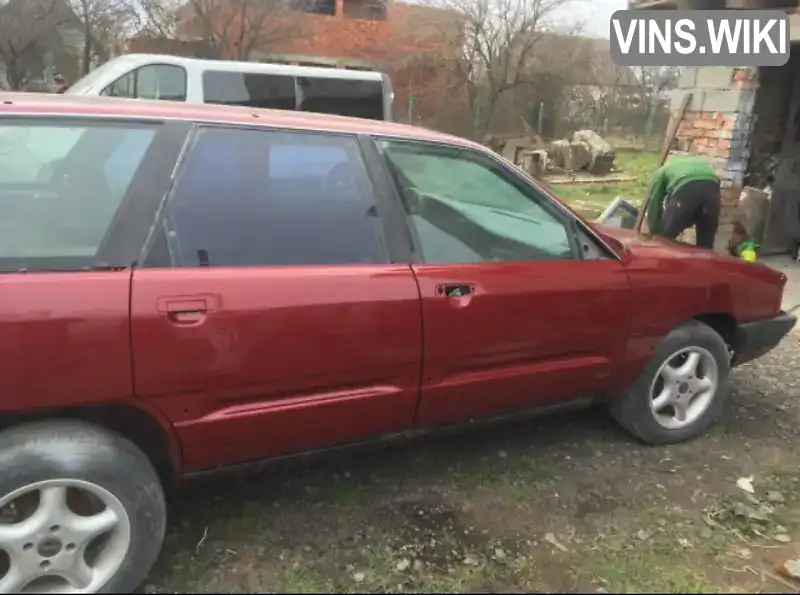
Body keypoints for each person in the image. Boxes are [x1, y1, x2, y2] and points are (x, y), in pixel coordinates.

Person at [645, 154, 721, 249]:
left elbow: (654, 201)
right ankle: (704, 262)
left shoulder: (661, 171)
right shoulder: (698, 164)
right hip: (712, 187)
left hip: (686, 188)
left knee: (665, 240)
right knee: (705, 245)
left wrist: (654, 231)